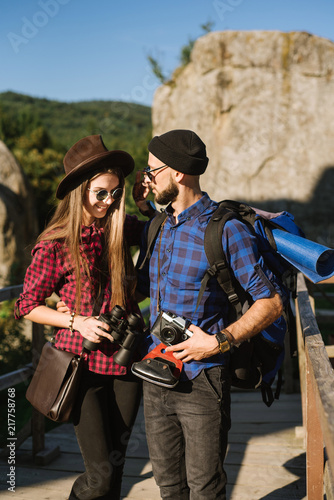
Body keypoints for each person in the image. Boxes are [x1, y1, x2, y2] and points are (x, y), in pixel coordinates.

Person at [133, 129, 286, 500]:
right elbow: (140, 288)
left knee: (205, 489)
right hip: (155, 372)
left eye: (152, 171)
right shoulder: (159, 225)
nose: (146, 179)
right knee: (169, 487)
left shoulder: (226, 230)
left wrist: (219, 342)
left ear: (179, 174)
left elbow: (271, 302)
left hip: (202, 379)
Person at [15, 135, 147, 500]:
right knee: (98, 479)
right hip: (81, 363)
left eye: (115, 193)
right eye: (101, 193)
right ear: (79, 191)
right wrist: (78, 321)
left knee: (116, 471)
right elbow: (26, 305)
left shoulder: (121, 228)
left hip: (125, 360)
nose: (109, 202)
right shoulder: (55, 242)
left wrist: (142, 203)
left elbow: (161, 230)